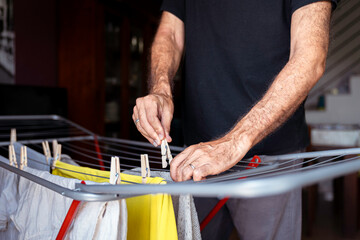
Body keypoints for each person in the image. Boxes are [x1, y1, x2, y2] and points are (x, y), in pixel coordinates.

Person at [133, 0, 336, 239]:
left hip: (270, 156)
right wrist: (161, 90)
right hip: (196, 155)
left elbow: (309, 57)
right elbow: (170, 33)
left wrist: (233, 143)